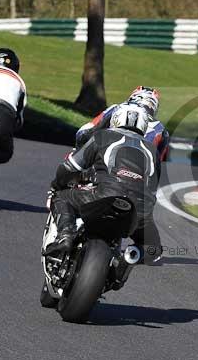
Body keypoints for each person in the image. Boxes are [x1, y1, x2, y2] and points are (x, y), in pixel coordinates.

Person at [44, 104, 161, 286]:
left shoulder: (103, 136)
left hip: (103, 195)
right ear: (145, 126)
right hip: (139, 210)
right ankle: (128, 259)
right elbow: (153, 189)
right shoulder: (153, 151)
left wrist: (57, 185)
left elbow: (71, 167)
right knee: (154, 249)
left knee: (62, 197)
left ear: (115, 120)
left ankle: (65, 236)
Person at [75, 86, 170, 165]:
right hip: (139, 173)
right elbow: (158, 163)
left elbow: (85, 132)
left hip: (104, 161)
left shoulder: (117, 108)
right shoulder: (162, 130)